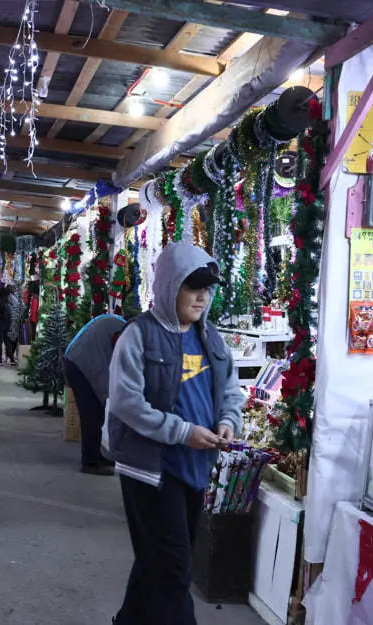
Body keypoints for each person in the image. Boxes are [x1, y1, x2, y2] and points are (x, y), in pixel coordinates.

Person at [104, 242, 243, 625]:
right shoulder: (139, 335)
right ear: (169, 286)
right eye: (192, 286)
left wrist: (229, 420)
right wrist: (183, 433)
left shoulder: (210, 336)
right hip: (150, 469)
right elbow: (126, 402)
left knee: (158, 558)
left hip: (194, 467)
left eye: (207, 288)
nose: (202, 296)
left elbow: (230, 389)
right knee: (174, 569)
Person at [64, 314, 127, 476]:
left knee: (96, 414)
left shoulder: (117, 324)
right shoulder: (124, 331)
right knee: (91, 414)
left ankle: (96, 456)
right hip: (81, 364)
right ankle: (90, 462)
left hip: (78, 360)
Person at [5, 285, 23, 365]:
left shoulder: (12, 297)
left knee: (12, 338)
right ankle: (10, 355)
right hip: (13, 320)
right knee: (13, 339)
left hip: (14, 320)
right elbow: (15, 307)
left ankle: (9, 355)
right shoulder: (11, 297)